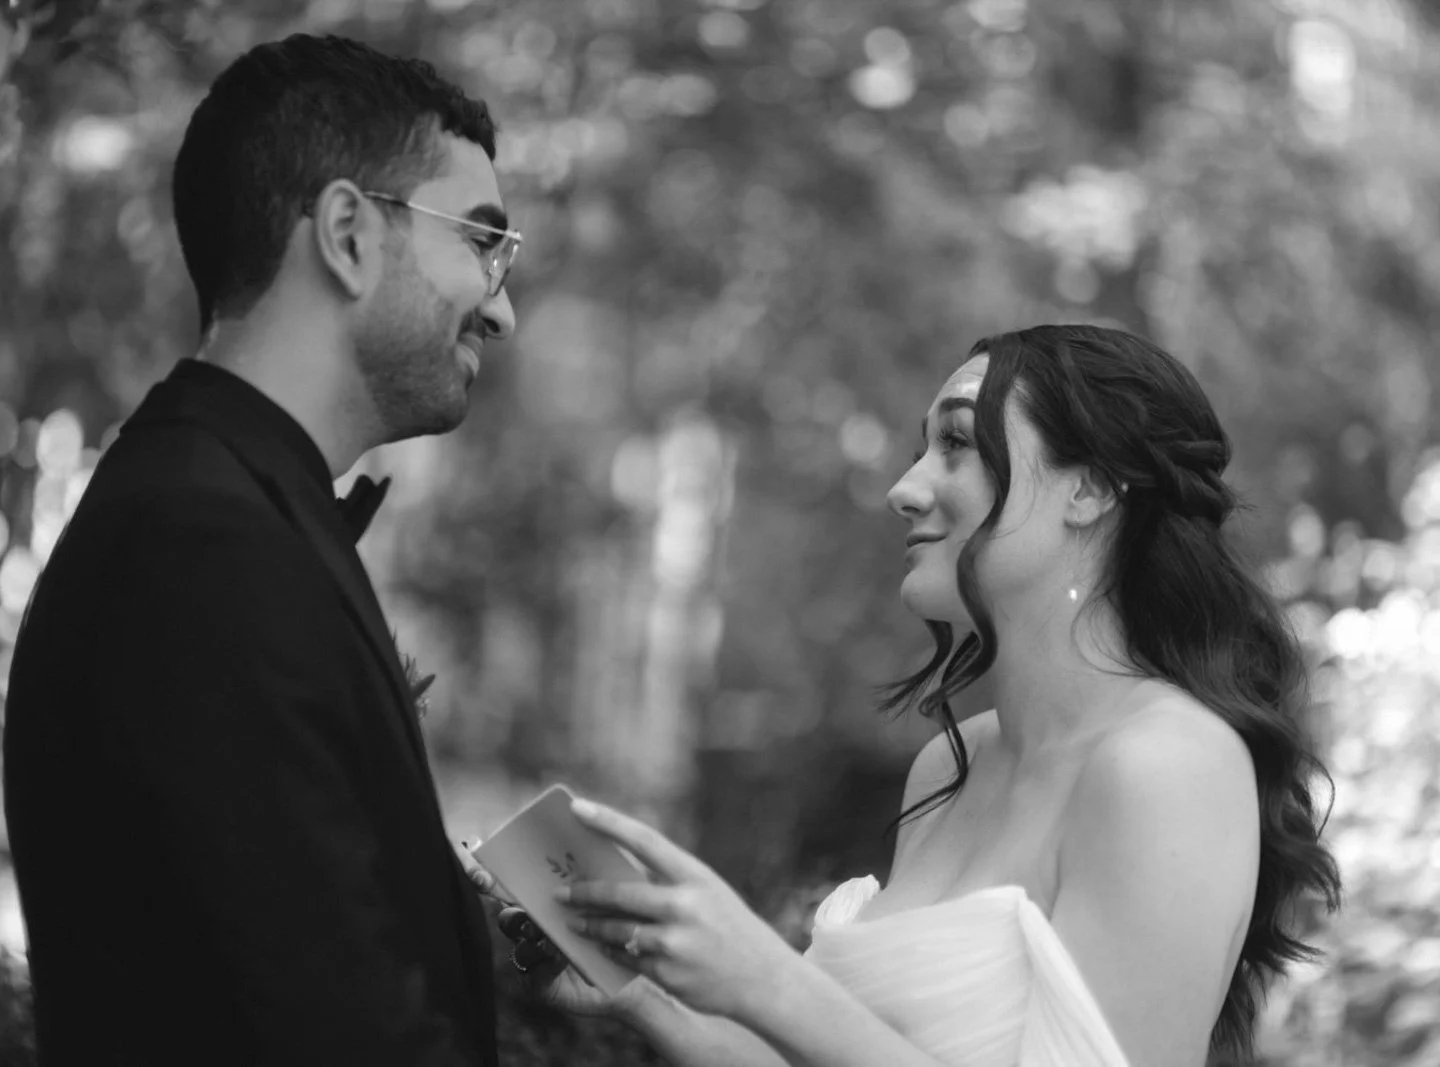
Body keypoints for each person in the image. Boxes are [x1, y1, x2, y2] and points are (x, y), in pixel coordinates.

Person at [489, 325, 1340, 1067]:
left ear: (1093, 488)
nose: (906, 485)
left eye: (957, 445)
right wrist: (639, 986)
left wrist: (770, 975)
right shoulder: (950, 766)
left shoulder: (1169, 766)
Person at [3, 35, 518, 1066]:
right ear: (347, 233)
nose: (500, 306)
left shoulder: (227, 504)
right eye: (481, 242)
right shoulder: (200, 546)